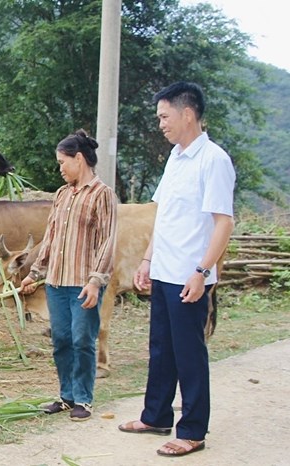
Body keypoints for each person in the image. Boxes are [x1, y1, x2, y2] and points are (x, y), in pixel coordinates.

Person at [118, 82, 236, 456]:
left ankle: (193, 430)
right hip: (165, 270)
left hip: (190, 275)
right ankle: (155, 416)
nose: (161, 125)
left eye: (164, 117)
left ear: (188, 114)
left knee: (189, 353)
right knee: (161, 349)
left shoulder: (213, 160)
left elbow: (224, 223)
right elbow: (164, 216)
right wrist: (148, 260)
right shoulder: (176, 157)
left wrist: (202, 272)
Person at [20, 129, 118, 422]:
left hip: (84, 283)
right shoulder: (62, 195)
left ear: (79, 159)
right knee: (61, 339)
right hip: (56, 283)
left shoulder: (103, 195)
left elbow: (108, 241)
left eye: (63, 162)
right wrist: (35, 273)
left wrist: (95, 281)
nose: (60, 168)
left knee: (82, 340)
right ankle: (66, 396)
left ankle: (84, 399)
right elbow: (50, 239)